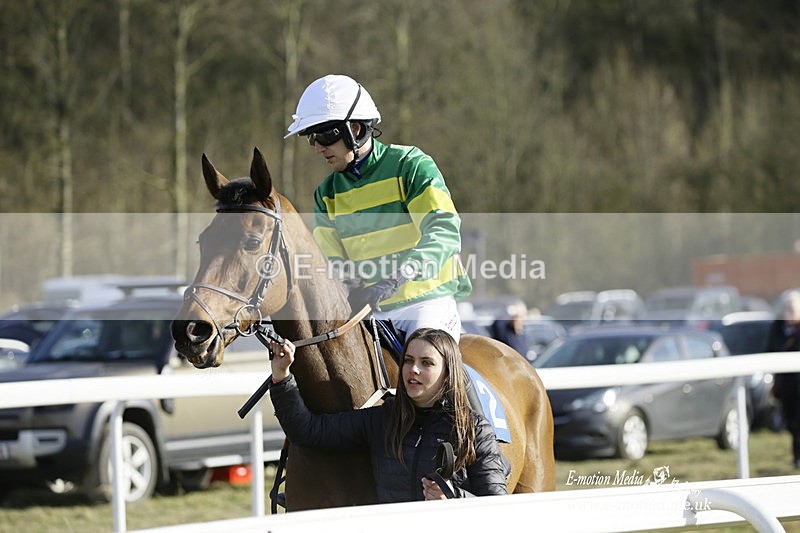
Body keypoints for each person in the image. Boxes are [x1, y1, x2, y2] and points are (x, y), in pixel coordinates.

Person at [284, 74, 472, 342]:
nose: (318, 148)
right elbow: (332, 260)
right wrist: (348, 285)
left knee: (424, 364)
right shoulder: (326, 194)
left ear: (356, 129)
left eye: (324, 136)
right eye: (312, 138)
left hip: (426, 304)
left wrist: (397, 277)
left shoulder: (410, 165)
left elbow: (444, 231)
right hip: (370, 310)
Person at [268, 327, 508, 502]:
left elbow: (498, 508)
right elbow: (309, 431)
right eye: (409, 360)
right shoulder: (383, 419)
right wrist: (281, 378)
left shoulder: (476, 429)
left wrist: (453, 498)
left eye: (427, 363)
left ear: (448, 373)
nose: (413, 369)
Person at [769, 290, 800, 469]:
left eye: (793, 308)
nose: (789, 311)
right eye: (787, 308)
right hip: (785, 384)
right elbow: (770, 349)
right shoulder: (778, 328)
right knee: (791, 422)